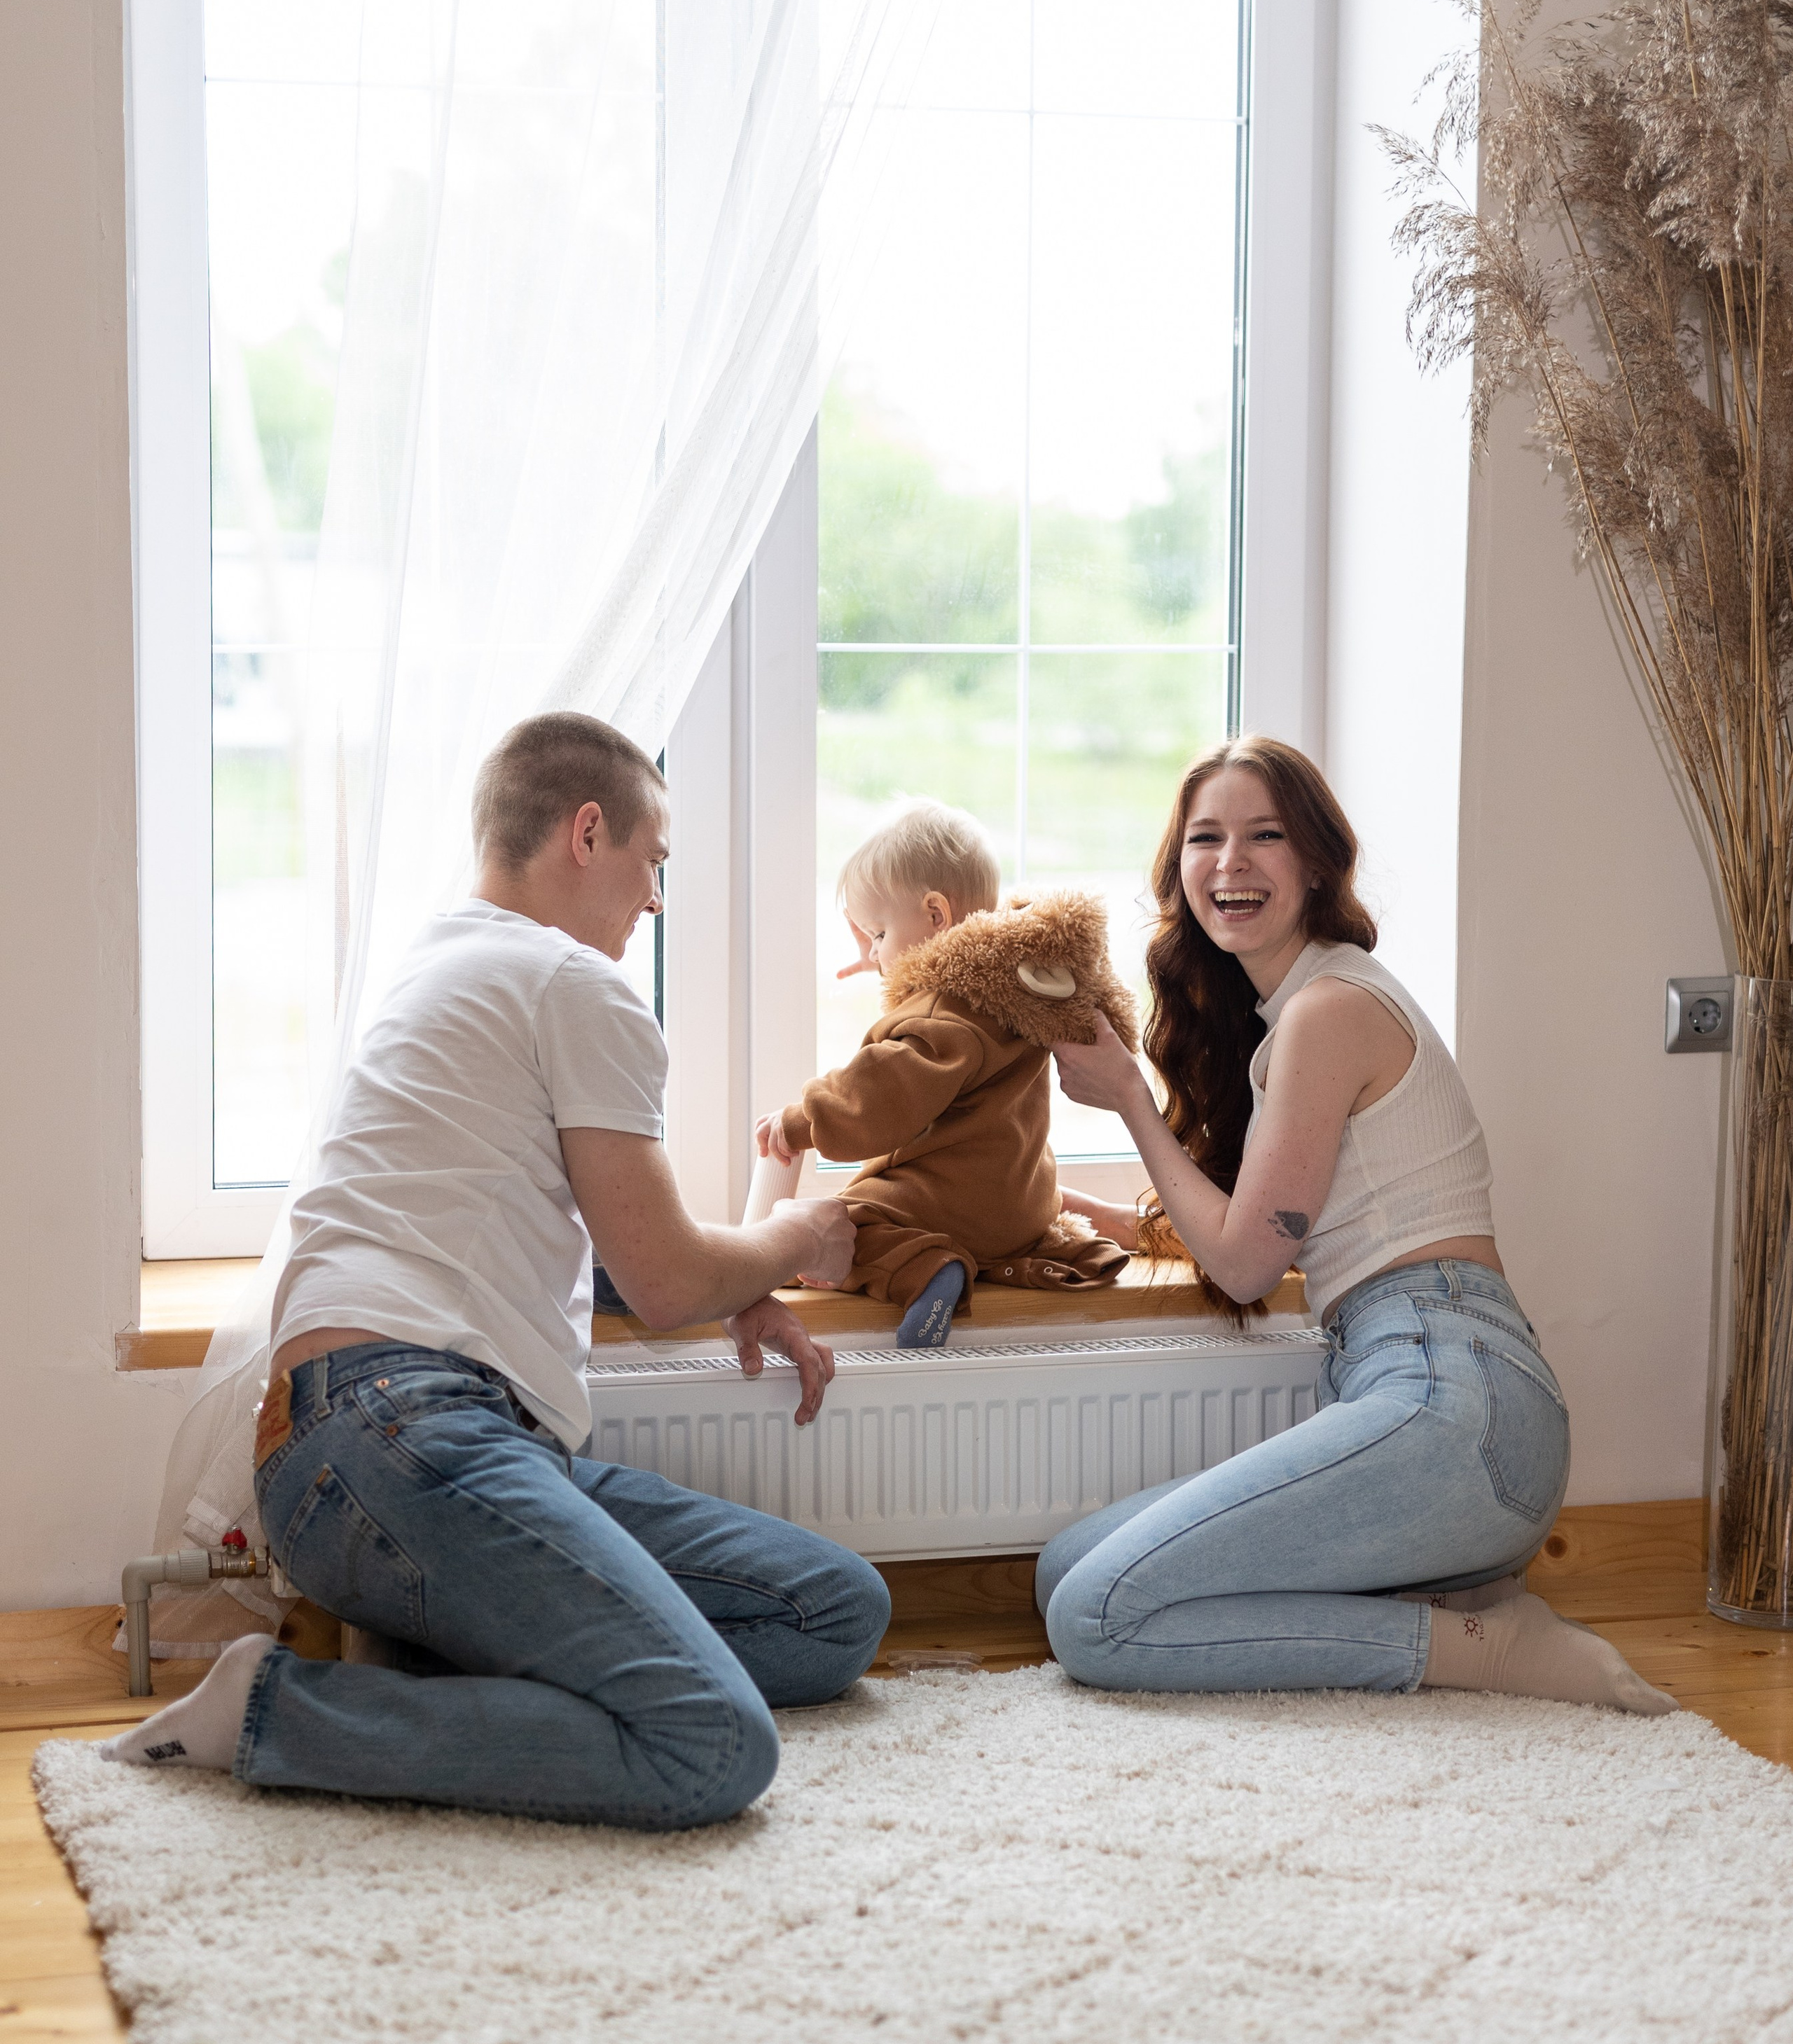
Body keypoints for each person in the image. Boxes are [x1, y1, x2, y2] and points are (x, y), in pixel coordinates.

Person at [103, 713, 892, 1824]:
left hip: (375, 1448)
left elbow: (553, 1237)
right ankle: (282, 1713)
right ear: (586, 831)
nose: (654, 899)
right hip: (410, 1432)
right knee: (709, 1746)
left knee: (832, 1609)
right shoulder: (569, 980)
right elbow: (665, 1277)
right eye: (652, 862)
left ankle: (416, 1663)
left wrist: (741, 1281)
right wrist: (804, 1238)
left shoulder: (439, 968)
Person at [1042, 735, 1673, 1716]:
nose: (1229, 862)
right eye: (1205, 838)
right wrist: (1122, 1220)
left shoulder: (1329, 1009)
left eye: (1265, 835)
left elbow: (1251, 1263)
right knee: (1066, 1572)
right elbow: (1279, 1218)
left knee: (1094, 1617)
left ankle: (1486, 1649)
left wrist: (1129, 1097)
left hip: (1456, 1401)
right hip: (1425, 1394)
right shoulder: (1299, 1010)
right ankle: (1450, 1593)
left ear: (1318, 862)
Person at [755, 802, 1133, 1348]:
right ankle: (953, 1260)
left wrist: (800, 1123)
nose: (876, 952)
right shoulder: (1015, 992)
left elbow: (882, 1093)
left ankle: (929, 1272)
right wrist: (891, 959)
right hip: (1022, 1209)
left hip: (949, 1208)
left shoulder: (939, 1014)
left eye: (879, 933)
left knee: (839, 1226)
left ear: (936, 916)